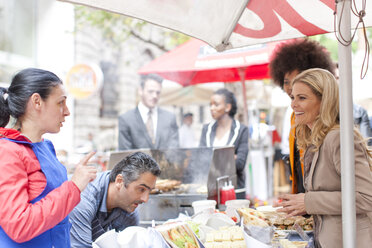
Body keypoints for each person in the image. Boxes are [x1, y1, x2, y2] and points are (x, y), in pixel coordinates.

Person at [0, 68, 97, 248]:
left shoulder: (46, 146)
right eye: (60, 103)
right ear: (37, 101)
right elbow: (19, 225)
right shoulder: (7, 152)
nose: (67, 111)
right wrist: (74, 186)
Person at [275, 68, 372, 248]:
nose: (293, 105)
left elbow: (367, 197)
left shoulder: (339, 138)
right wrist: (298, 205)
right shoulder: (315, 139)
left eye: (302, 98)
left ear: (324, 101)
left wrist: (308, 202)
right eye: (292, 98)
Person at [269, 38, 336, 194]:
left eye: (298, 80)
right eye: (287, 82)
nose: (292, 87)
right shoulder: (294, 116)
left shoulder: (335, 123)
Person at [69, 151, 161, 248]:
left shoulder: (129, 213)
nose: (145, 199)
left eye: (149, 191)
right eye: (141, 189)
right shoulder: (82, 200)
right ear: (120, 181)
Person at [199, 88, 248, 199]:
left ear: (227, 107)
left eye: (216, 105)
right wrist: (230, 157)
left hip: (234, 190)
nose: (212, 108)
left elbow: (240, 163)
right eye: (210, 105)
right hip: (210, 191)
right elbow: (200, 159)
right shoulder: (207, 129)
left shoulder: (241, 130)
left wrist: (212, 158)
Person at [118, 74, 179, 150]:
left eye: (158, 93)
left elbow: (174, 151)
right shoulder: (126, 119)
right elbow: (125, 155)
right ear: (140, 90)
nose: (155, 96)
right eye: (150, 91)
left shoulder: (169, 118)